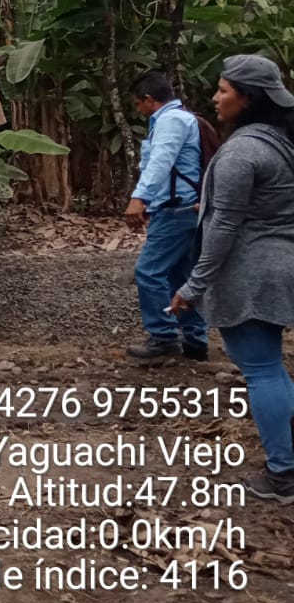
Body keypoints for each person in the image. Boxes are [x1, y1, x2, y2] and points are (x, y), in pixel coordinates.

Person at [170, 55, 294, 503]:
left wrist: (193, 285)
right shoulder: (279, 141)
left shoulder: (243, 152)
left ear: (248, 98)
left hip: (252, 274)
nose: (215, 98)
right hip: (279, 266)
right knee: (270, 367)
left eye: (223, 91)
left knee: (261, 370)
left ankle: (282, 475)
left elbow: (223, 227)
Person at [123, 71, 209, 361]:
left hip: (176, 211)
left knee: (149, 272)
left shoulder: (170, 121)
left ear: (149, 99)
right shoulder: (181, 118)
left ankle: (163, 338)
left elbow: (161, 162)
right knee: (180, 275)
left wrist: (139, 198)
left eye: (137, 104)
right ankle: (195, 340)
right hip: (184, 209)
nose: (138, 110)